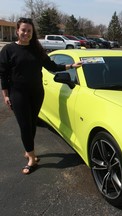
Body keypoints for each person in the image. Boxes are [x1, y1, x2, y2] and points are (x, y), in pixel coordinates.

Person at [0, 17, 82, 175]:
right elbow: (3, 74)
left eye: (29, 31)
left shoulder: (37, 50)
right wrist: (5, 95)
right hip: (18, 93)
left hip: (37, 93)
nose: (26, 33)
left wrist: (71, 66)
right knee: (24, 125)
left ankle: (28, 149)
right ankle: (31, 157)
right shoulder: (8, 50)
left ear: (32, 32)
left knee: (31, 124)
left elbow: (51, 66)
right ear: (17, 31)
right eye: (23, 30)